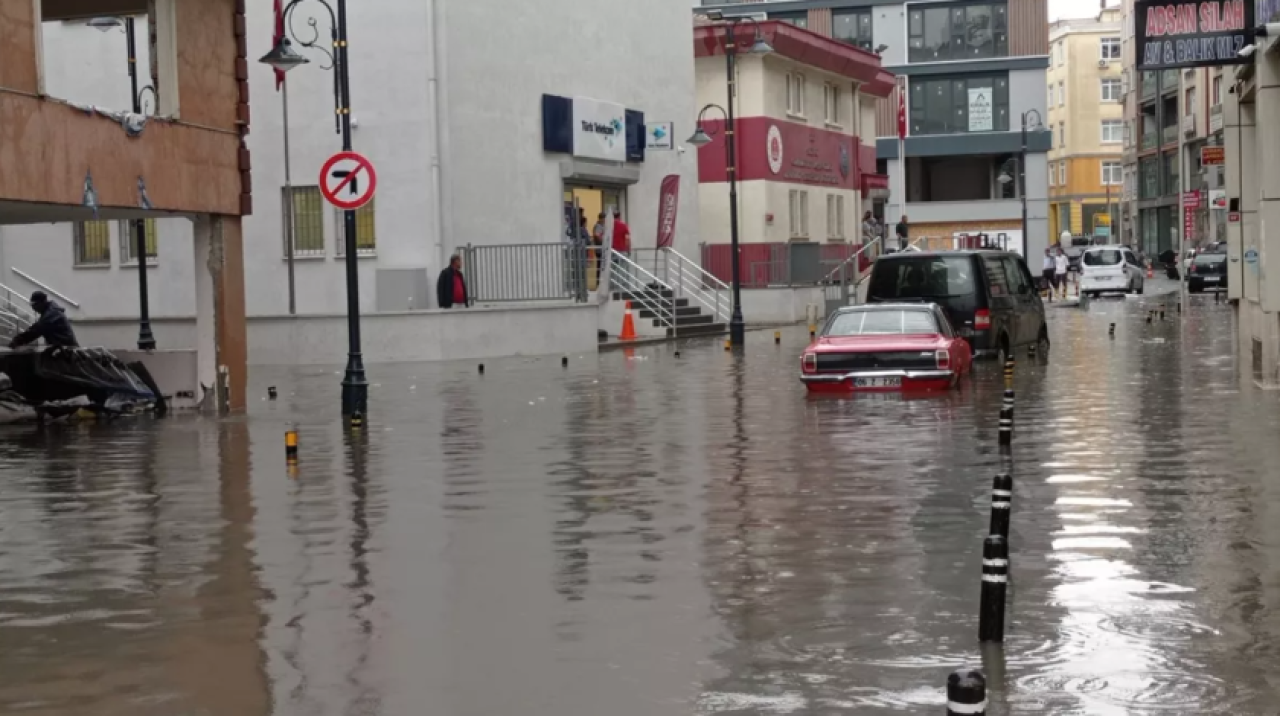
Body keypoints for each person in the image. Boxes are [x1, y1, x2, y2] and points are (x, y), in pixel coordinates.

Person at [8, 291, 78, 349]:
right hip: (66, 348)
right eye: (32, 305)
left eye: (35, 305)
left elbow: (36, 330)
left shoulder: (50, 315)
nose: (33, 308)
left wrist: (17, 340)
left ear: (42, 302)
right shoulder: (52, 311)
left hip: (67, 350)